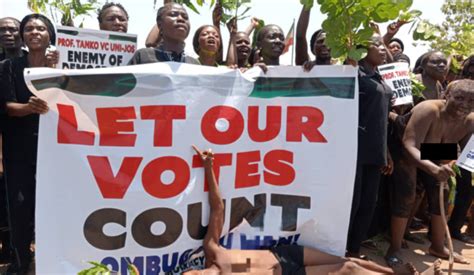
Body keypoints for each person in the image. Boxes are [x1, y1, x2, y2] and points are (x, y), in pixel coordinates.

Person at [171, 145, 442, 275]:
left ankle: (395, 274)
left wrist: (208, 168)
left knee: (346, 259)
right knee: (347, 269)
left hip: (284, 254)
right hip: (290, 274)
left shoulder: (213, 254)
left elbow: (217, 209)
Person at [1, 13, 53, 274]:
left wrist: (56, 72)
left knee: (51, 206)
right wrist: (29, 107)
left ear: (49, 36)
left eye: (40, 28)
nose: (34, 32)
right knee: (20, 207)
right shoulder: (9, 67)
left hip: (55, 149)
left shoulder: (59, 67)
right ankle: (20, 262)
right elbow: (8, 107)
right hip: (19, 149)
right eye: (29, 29)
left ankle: (50, 261)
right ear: (22, 36)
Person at [403, 79, 474, 264]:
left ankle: (438, 245)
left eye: (471, 101)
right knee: (408, 193)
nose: (465, 105)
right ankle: (397, 240)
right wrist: (433, 167)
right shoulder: (428, 109)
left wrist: (449, 165)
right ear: (446, 96)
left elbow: (463, 153)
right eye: (459, 98)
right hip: (406, 151)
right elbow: (409, 145)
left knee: (442, 192)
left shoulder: (471, 120)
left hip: (435, 153)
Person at [345, 34, 393, 259]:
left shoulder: (379, 77)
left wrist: (387, 152)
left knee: (369, 203)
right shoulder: (354, 74)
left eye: (384, 45)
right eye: (377, 45)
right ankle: (340, 249)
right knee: (351, 203)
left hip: (375, 151)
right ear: (361, 49)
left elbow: (381, 119)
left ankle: (354, 249)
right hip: (354, 150)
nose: (383, 49)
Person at [128, 2, 199, 65]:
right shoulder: (143, 56)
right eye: (173, 15)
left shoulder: (194, 64)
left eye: (185, 17)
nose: (181, 19)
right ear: (159, 25)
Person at [295, 4, 332, 69]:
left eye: (329, 41)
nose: (324, 44)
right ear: (313, 48)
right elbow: (300, 37)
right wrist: (308, 3)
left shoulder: (346, 69)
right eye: (320, 41)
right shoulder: (306, 67)